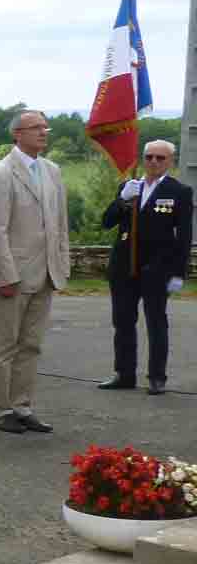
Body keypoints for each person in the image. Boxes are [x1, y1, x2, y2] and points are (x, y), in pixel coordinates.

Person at [0, 109, 69, 434]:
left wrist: (61, 263)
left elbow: (60, 224)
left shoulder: (52, 171)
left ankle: (22, 406)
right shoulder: (0, 174)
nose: (43, 132)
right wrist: (5, 275)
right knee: (3, 345)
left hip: (45, 273)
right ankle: (0, 409)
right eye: (35, 127)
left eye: (45, 127)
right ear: (17, 133)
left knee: (31, 345)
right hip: (13, 275)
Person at [100, 138, 192, 396]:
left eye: (160, 158)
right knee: (123, 322)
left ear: (170, 161)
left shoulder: (179, 191)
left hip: (157, 268)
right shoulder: (130, 186)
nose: (153, 162)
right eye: (149, 156)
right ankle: (124, 374)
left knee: (156, 323)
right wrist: (122, 200)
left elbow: (184, 236)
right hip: (124, 266)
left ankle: (157, 377)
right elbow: (107, 222)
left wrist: (178, 272)